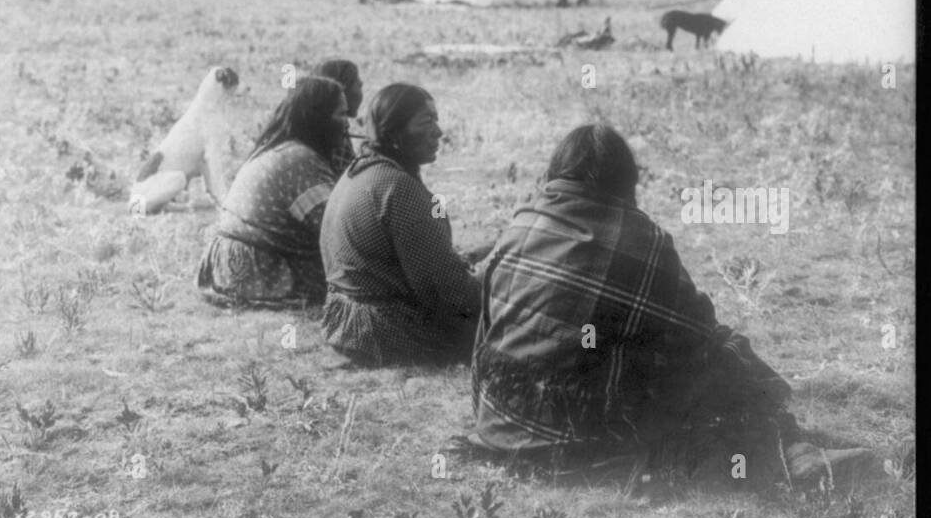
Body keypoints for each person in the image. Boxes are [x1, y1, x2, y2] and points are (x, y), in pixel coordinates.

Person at [472, 123, 869, 482]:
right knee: (726, 348)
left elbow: (485, 332)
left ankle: (786, 441)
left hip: (498, 420)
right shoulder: (641, 239)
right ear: (626, 180)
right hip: (577, 441)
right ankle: (788, 444)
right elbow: (698, 333)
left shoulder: (521, 222)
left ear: (557, 171)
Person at [320, 84, 481, 366]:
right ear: (394, 131)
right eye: (426, 121)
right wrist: (496, 277)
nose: (439, 132)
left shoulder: (360, 171)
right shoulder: (398, 189)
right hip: (387, 332)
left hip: (344, 323)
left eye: (437, 120)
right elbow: (449, 295)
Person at [196, 76, 349, 309]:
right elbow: (335, 230)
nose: (347, 124)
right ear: (318, 118)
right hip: (259, 269)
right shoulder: (299, 160)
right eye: (340, 115)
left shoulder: (282, 149)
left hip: (227, 265)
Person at [313, 59, 364, 175]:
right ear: (342, 92)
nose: (361, 86)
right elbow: (350, 177)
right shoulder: (334, 130)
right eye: (358, 85)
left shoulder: (320, 124)